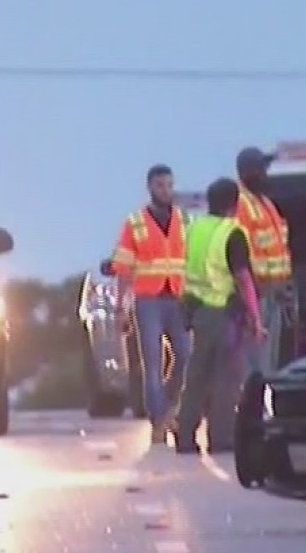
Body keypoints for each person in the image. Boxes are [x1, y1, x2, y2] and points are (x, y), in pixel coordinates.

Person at [171, 178, 267, 454]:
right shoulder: (231, 233)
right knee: (226, 378)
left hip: (197, 311)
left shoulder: (194, 229)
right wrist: (257, 320)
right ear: (234, 203)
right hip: (222, 314)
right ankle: (220, 438)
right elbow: (243, 278)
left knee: (197, 376)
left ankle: (185, 436)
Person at [111, 165, 191, 435]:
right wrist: (120, 308)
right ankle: (158, 422)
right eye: (160, 185)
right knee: (153, 363)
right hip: (148, 300)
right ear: (150, 188)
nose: (166, 190)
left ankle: (169, 406)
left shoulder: (184, 221)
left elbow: (190, 262)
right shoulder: (135, 223)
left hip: (177, 297)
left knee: (185, 354)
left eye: (169, 185)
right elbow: (123, 269)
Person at [233, 146, 293, 374]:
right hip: (255, 293)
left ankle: (263, 403)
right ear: (248, 172)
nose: (265, 173)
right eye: (261, 169)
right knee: (255, 358)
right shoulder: (241, 205)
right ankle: (252, 406)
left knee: (269, 358)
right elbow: (239, 254)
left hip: (273, 293)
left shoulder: (266, 204)